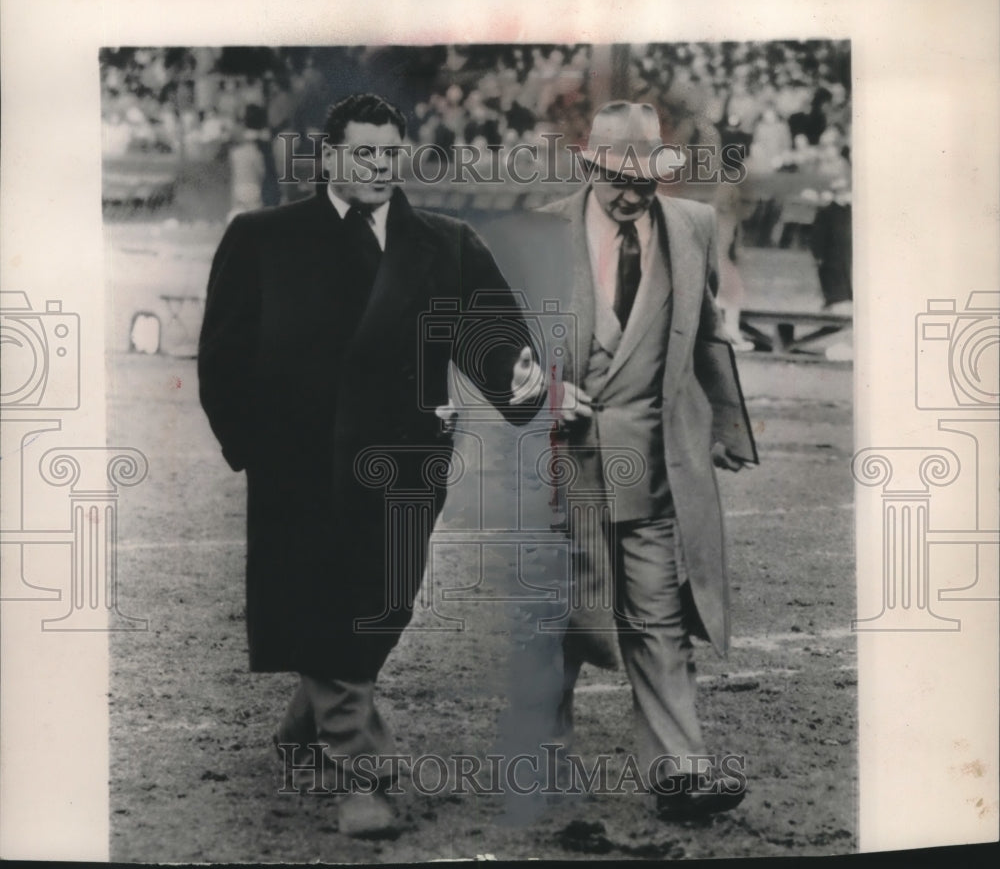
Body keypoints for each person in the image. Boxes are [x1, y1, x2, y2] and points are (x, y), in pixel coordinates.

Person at [198, 93, 541, 837]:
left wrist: (519, 376)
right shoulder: (264, 237)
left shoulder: (444, 243)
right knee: (329, 602)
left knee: (380, 608)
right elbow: (222, 357)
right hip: (299, 467)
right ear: (329, 156)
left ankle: (305, 724)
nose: (379, 167)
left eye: (391, 153)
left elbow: (494, 340)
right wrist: (256, 447)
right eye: (363, 153)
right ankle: (365, 772)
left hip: (406, 466)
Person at [537, 101, 751, 820]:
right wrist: (545, 394)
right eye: (615, 176)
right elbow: (501, 345)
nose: (631, 193)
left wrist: (726, 424)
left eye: (644, 178)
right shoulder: (542, 228)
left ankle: (680, 773)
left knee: (660, 621)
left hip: (657, 467)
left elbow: (707, 331)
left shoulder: (691, 226)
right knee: (562, 623)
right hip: (564, 470)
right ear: (589, 165)